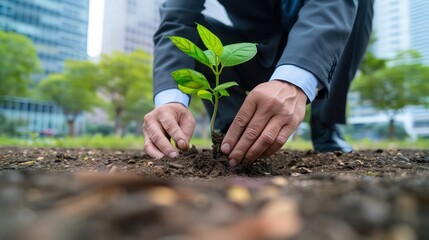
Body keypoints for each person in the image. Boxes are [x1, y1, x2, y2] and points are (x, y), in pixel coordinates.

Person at [143, 0, 374, 167]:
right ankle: (233, 131)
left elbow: (331, 6)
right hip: (254, 49)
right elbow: (176, 22)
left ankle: (325, 126)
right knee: (197, 36)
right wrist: (170, 100)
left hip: (314, 43)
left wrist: (293, 79)